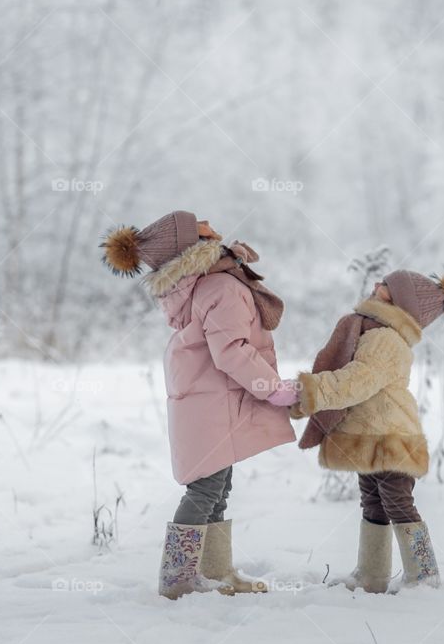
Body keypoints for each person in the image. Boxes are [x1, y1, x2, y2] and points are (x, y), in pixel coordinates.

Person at [101, 211, 298, 598]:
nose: (210, 225)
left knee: (216, 489)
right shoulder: (221, 287)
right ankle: (178, 579)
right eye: (199, 227)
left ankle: (215, 571)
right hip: (213, 406)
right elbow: (231, 350)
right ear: (191, 245)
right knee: (205, 491)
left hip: (208, 404)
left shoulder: (204, 285)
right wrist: (272, 388)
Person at [294, 270, 444, 592]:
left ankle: (424, 578)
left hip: (390, 436)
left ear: (401, 301)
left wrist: (314, 391)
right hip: (373, 434)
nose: (377, 285)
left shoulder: (385, 338)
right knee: (373, 501)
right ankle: (371, 575)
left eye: (387, 286)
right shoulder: (374, 329)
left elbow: (359, 379)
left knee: (397, 502)